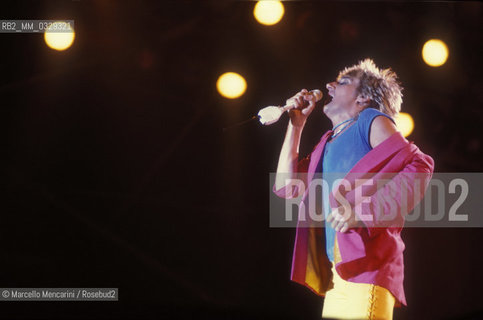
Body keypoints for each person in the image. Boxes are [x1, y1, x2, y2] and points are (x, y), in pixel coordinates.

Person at [273, 59, 434, 319]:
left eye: (343, 82)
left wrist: (363, 212)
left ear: (364, 98)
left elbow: (420, 165)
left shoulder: (369, 120)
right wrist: (296, 125)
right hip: (339, 276)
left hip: (369, 271)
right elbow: (285, 186)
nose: (329, 85)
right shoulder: (326, 142)